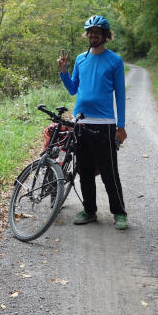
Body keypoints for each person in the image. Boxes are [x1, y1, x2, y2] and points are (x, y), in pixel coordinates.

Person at [58, 15, 128, 230]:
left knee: (109, 171)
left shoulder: (114, 60)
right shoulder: (80, 59)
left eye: (97, 31)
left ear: (106, 35)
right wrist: (63, 71)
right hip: (80, 122)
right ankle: (89, 210)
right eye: (90, 31)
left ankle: (119, 212)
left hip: (104, 123)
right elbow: (73, 89)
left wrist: (121, 126)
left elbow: (120, 95)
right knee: (85, 170)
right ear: (87, 35)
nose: (93, 35)